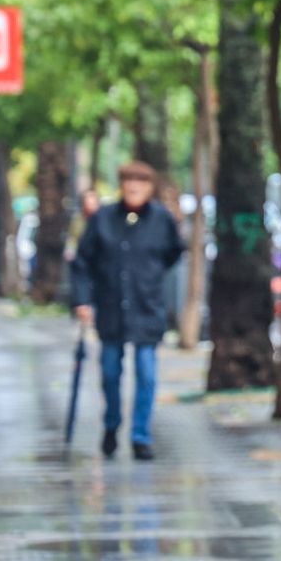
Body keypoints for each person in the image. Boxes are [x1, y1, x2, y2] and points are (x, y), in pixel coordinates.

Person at [72, 161, 184, 461]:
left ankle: (140, 436)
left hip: (147, 307)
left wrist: (151, 276)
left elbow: (174, 252)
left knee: (146, 373)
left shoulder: (162, 220)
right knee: (110, 372)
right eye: (129, 182)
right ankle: (111, 425)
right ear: (121, 185)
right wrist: (83, 301)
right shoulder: (103, 219)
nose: (134, 188)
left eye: (141, 182)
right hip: (111, 308)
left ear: (150, 187)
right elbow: (83, 262)